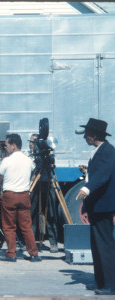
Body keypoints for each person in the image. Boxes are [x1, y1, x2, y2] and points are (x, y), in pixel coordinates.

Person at [75, 118, 115, 296]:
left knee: (104, 245)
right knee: (97, 245)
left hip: (103, 205)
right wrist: (87, 172)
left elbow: (103, 176)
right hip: (97, 206)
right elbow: (98, 172)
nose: (85, 137)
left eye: (87, 134)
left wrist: (86, 188)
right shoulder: (100, 151)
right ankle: (101, 281)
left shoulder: (108, 151)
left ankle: (111, 284)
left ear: (94, 135)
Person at [0, 133, 42, 262]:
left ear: (13, 146)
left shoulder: (7, 160)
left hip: (10, 195)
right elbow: (32, 171)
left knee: (9, 226)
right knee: (26, 226)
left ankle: (11, 253)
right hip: (24, 195)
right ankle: (34, 254)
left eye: (6, 145)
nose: (5, 147)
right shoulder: (28, 160)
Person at [28, 133, 59, 253]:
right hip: (34, 184)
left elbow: (53, 164)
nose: (32, 144)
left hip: (48, 183)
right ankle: (30, 241)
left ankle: (53, 242)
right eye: (30, 142)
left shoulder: (48, 154)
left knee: (50, 213)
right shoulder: (29, 156)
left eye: (34, 142)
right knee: (31, 213)